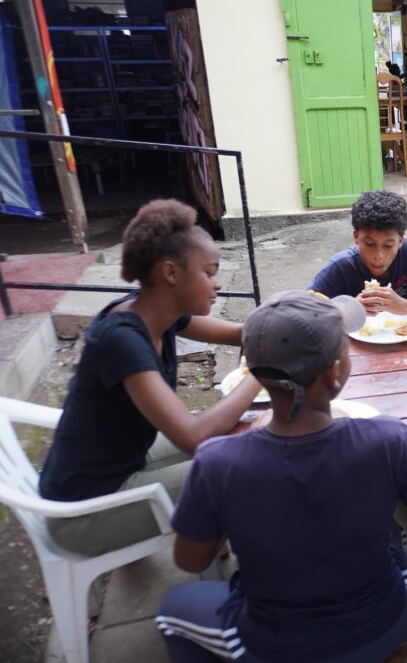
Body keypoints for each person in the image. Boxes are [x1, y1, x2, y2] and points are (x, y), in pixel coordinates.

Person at [156, 291, 407, 662]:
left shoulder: (218, 462)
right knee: (394, 535)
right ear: (335, 372)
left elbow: (191, 560)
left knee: (171, 611)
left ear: (255, 373)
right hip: (384, 622)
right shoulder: (387, 438)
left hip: (277, 644)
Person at [37, 199, 263, 557]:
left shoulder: (158, 310)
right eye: (209, 272)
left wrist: (273, 325)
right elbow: (194, 439)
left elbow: (241, 334)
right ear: (171, 273)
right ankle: (229, 573)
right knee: (236, 471)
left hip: (123, 463)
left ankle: (217, 544)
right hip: (86, 513)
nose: (217, 284)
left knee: (244, 432)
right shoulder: (122, 339)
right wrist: (264, 372)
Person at [308, 190, 407, 317]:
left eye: (388, 245)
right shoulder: (341, 266)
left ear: (400, 241)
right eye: (369, 244)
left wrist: (404, 306)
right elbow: (303, 312)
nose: (378, 255)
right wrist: (349, 310)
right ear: (356, 237)